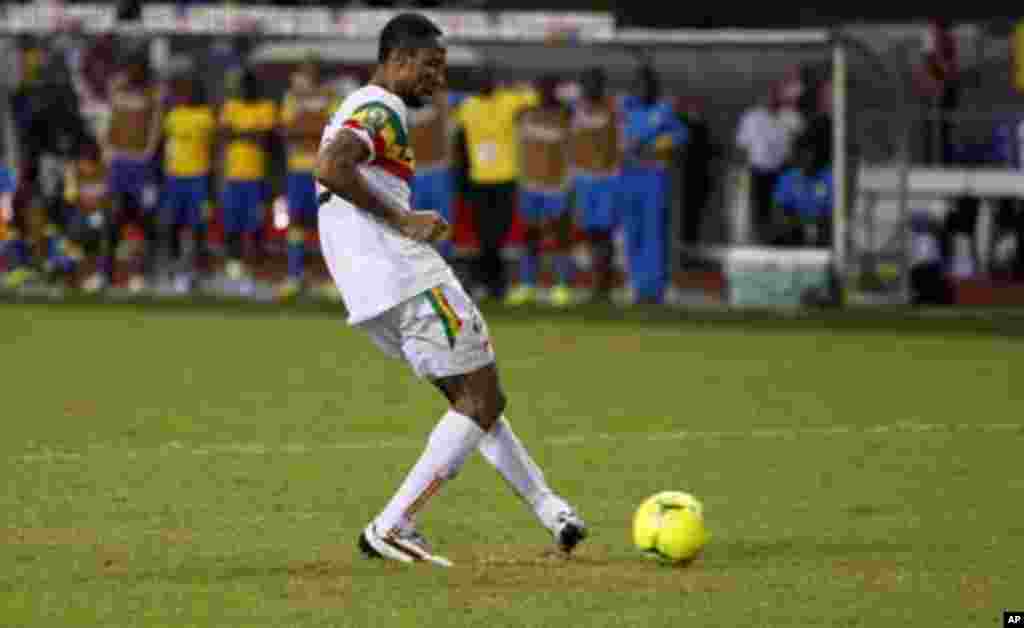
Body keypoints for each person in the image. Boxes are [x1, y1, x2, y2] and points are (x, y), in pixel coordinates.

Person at [313, 13, 586, 566]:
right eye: (431, 66)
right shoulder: (380, 106)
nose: (438, 79)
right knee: (481, 399)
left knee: (474, 404)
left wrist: (400, 215)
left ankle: (551, 511)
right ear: (398, 60)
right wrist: (404, 219)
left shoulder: (365, 107)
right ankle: (392, 525)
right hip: (405, 277)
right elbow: (331, 168)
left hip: (372, 290)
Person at [453, 63, 538, 301]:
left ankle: (495, 284)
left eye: (486, 78)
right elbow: (460, 142)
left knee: (499, 235)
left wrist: (516, 88)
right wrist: (462, 176)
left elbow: (535, 97)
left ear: (494, 81)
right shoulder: (467, 106)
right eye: (478, 79)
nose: (483, 83)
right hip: (478, 179)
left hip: (506, 178)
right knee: (482, 235)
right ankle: (488, 284)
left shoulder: (509, 101)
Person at [620, 65, 687, 304]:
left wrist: (654, 145)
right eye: (639, 84)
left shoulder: (663, 110)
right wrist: (627, 144)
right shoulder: (625, 109)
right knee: (632, 231)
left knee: (655, 231)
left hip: (655, 177)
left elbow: (681, 137)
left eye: (648, 84)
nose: (644, 89)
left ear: (655, 87)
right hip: (629, 176)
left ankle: (657, 287)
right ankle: (635, 285)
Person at [506, 74, 574, 307]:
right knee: (530, 235)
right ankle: (528, 285)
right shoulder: (525, 115)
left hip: (557, 185)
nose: (545, 92)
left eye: (549, 88)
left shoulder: (566, 115)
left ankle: (562, 286)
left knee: (559, 235)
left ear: (556, 91)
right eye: (541, 88)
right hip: (530, 184)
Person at [278, 56, 338, 300]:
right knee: (296, 223)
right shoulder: (291, 98)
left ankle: (333, 280)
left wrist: (305, 126)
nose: (303, 76)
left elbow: (333, 131)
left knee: (330, 227)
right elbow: (287, 130)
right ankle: (295, 276)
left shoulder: (331, 97)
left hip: (324, 170)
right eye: (302, 71)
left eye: (308, 71)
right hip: (296, 169)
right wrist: (313, 126)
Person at [102, 53, 163, 293]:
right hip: (119, 162)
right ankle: (107, 273)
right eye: (127, 68)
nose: (130, 73)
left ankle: (141, 275)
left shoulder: (152, 95)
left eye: (135, 68)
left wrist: (148, 153)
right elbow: (110, 122)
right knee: (114, 217)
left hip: (141, 164)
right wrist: (108, 151)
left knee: (142, 219)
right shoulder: (117, 92)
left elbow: (155, 128)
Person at [218, 67, 277, 289]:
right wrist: (251, 133)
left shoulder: (266, 107)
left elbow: (265, 138)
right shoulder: (230, 107)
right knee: (232, 223)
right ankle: (234, 265)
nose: (244, 90)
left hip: (257, 177)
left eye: (247, 86)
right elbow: (224, 134)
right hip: (233, 176)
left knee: (256, 225)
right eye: (241, 86)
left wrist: (239, 134)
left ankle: (257, 269)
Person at [570, 67, 621, 301]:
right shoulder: (574, 109)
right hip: (583, 179)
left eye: (594, 82)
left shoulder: (613, 108)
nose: (590, 87)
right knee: (590, 233)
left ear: (601, 85)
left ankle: (604, 285)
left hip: (606, 178)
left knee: (605, 232)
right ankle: (596, 282)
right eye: (586, 82)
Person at [162, 76, 216, 294]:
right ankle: (174, 268)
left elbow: (215, 149)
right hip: (175, 177)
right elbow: (166, 144)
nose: (187, 95)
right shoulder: (173, 116)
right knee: (173, 224)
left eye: (192, 90)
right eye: (184, 90)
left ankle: (195, 271)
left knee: (197, 227)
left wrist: (212, 182)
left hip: (198, 177)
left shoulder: (206, 116)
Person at [736, 86, 796, 244]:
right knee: (759, 206)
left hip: (782, 169)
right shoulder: (751, 118)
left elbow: (794, 142)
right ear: (762, 100)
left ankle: (780, 238)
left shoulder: (787, 118)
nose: (771, 102)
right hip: (758, 168)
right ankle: (760, 239)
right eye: (768, 98)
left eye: (774, 98)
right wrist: (745, 167)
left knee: (780, 205)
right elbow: (742, 144)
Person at [409, 88, 463, 264]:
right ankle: (417, 266)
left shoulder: (444, 102)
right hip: (415, 173)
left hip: (439, 170)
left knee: (441, 222)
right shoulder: (400, 104)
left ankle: (442, 264)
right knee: (416, 223)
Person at [770, 134, 832, 248]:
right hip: (795, 234)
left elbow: (832, 213)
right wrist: (800, 225)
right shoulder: (787, 178)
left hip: (822, 234)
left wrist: (814, 225)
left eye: (809, 153)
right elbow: (778, 211)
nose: (806, 158)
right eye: (801, 154)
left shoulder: (829, 178)